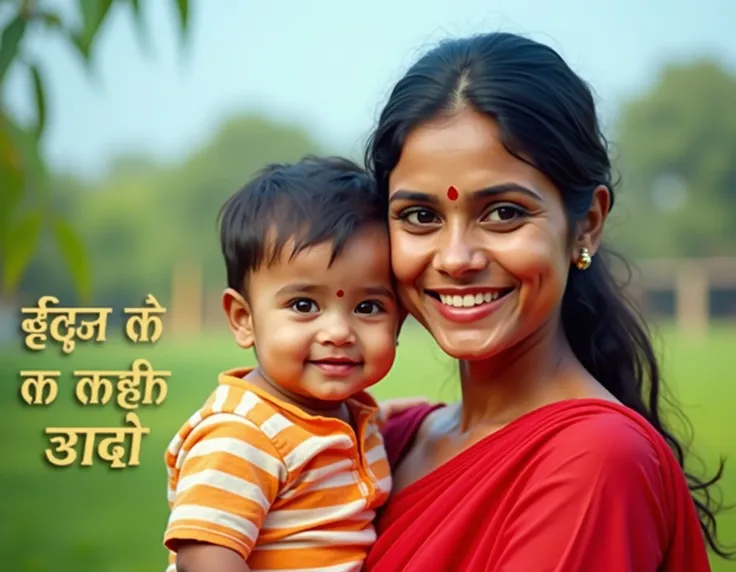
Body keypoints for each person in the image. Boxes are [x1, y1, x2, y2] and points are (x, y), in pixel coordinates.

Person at [362, 32, 730, 571]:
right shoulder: (386, 444)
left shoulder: (594, 460)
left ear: (587, 224)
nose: (457, 257)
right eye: (421, 217)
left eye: (504, 213)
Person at [162, 156, 401, 571]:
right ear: (244, 319)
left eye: (368, 306)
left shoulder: (353, 416)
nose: (338, 331)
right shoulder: (242, 434)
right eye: (304, 305)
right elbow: (205, 560)